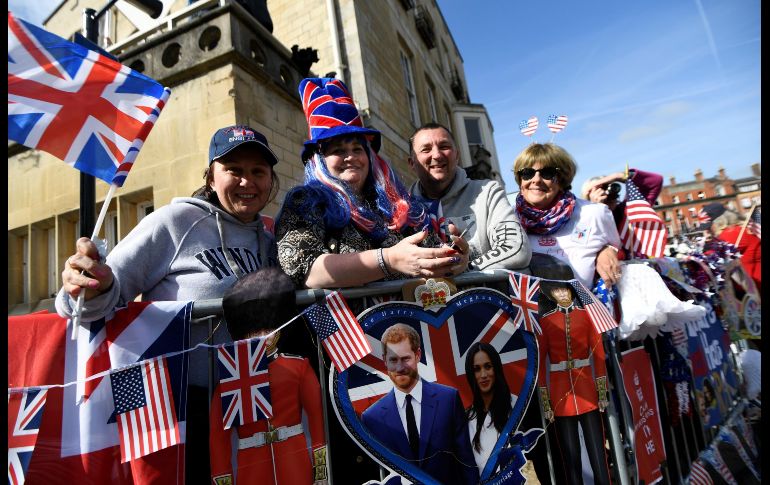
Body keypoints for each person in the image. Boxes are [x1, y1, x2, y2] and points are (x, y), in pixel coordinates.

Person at [56, 124, 282, 483]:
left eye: (257, 171)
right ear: (211, 177)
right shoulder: (175, 221)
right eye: (233, 170)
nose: (246, 182)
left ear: (271, 179)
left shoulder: (270, 240)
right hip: (181, 407)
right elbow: (102, 292)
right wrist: (84, 284)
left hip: (251, 398)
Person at [276, 78, 470, 289]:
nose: (350, 157)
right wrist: (389, 259)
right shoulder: (304, 201)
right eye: (338, 151)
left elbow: (430, 253)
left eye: (357, 149)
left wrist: (454, 260)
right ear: (320, 160)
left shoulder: (397, 203)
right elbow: (306, 268)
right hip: (351, 321)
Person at [209, 267, 327, 485]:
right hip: (251, 468)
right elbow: (219, 438)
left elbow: (317, 420)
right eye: (255, 330)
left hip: (295, 460)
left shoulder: (299, 367)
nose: (262, 336)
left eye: (268, 328)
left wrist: (320, 471)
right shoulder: (231, 379)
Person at [360, 323, 479, 484]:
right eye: (393, 360)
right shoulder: (372, 418)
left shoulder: (448, 399)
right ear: (385, 361)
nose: (400, 367)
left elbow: (466, 461)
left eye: (405, 359)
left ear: (418, 355)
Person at [408, 122, 531, 271]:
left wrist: (465, 269)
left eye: (444, 147)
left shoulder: (487, 192)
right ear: (412, 163)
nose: (437, 155)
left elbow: (517, 249)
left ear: (457, 155)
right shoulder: (401, 209)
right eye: (426, 149)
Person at [537, 264, 612, 485]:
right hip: (561, 396)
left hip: (587, 389)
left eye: (565, 290)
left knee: (598, 452)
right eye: (557, 291)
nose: (562, 294)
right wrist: (546, 403)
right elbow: (542, 365)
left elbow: (598, 355)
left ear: (571, 291)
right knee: (571, 460)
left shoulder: (587, 316)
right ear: (551, 295)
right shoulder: (546, 321)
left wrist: (601, 392)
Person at [512, 143, 622, 290]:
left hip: (583, 308)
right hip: (524, 310)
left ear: (562, 179)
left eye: (547, 173)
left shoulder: (594, 213)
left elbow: (620, 251)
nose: (536, 179)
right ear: (520, 180)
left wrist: (606, 250)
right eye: (527, 173)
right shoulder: (507, 219)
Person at [464, 341, 514, 474]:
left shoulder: (516, 408)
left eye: (488, 366)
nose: (483, 374)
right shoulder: (466, 418)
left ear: (496, 368)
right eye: (477, 369)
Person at [700, 202, 761, 292]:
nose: (707, 230)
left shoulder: (732, 232)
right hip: (751, 289)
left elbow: (711, 258)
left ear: (719, 221)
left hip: (755, 290)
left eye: (709, 227)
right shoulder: (737, 230)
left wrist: (707, 242)